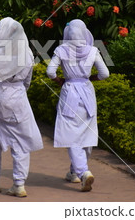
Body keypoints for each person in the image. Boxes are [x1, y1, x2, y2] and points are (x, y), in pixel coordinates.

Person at [0, 17, 43, 197]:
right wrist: (18, 92)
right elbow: (27, 82)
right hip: (19, 98)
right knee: (21, 142)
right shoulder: (28, 55)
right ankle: (18, 184)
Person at [46, 19, 109, 192]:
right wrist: (91, 79)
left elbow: (50, 72)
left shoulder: (61, 50)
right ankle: (74, 172)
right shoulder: (93, 50)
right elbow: (105, 73)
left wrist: (59, 80)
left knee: (71, 134)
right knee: (86, 133)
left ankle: (83, 172)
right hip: (87, 92)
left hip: (70, 92)